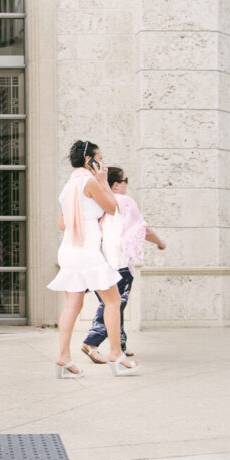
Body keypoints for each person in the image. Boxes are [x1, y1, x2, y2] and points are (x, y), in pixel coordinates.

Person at [47, 140, 142, 377]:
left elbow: (61, 223)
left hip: (68, 250)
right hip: (87, 251)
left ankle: (63, 358)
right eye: (100, 156)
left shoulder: (69, 185)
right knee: (113, 300)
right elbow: (112, 208)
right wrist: (102, 181)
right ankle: (116, 355)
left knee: (73, 305)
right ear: (90, 159)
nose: (103, 161)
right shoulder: (90, 181)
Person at [81, 166, 166, 364]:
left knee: (112, 303)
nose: (128, 183)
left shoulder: (98, 202)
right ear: (117, 184)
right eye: (125, 179)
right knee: (114, 304)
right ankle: (91, 342)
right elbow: (142, 229)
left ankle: (120, 345)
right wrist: (160, 242)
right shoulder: (124, 201)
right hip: (118, 261)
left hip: (98, 260)